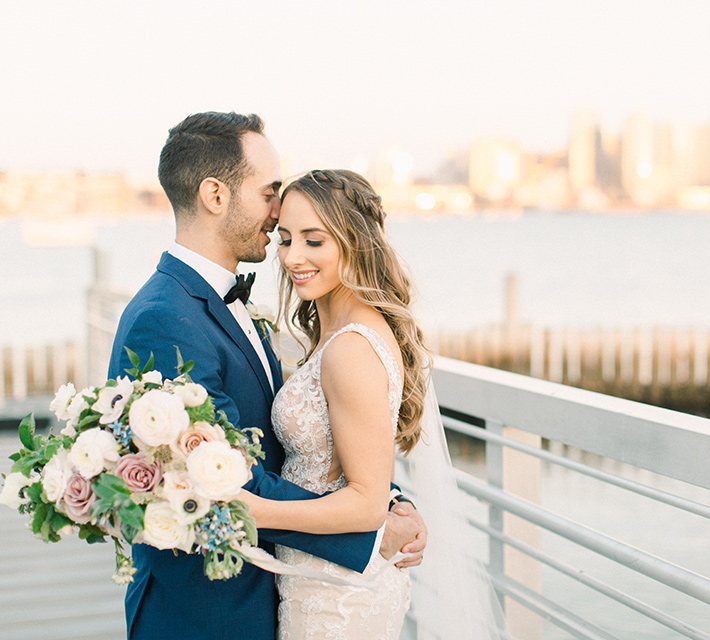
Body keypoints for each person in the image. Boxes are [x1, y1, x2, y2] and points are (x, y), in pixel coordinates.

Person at [106, 112, 424, 640]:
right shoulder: (164, 319)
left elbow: (294, 445)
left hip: (275, 592)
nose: (278, 215)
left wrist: (383, 496)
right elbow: (218, 476)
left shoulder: (229, 303)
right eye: (269, 191)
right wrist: (370, 530)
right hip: (207, 613)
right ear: (215, 195)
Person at [239, 169, 504, 640]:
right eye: (284, 239)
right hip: (319, 577)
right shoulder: (335, 334)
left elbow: (365, 506)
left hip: (337, 597)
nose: (292, 257)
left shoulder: (350, 348)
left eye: (313, 241)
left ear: (354, 243)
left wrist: (251, 509)